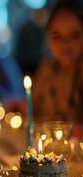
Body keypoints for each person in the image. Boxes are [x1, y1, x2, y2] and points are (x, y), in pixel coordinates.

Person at [33, 0, 83, 137]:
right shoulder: (46, 70)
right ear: (47, 37)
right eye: (57, 36)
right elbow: (31, 109)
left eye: (74, 35)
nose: (65, 44)